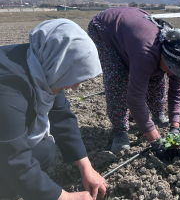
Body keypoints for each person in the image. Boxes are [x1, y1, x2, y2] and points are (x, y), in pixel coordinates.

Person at [0, 19, 107, 200]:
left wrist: (86, 167)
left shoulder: (44, 65)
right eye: (73, 76)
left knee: (45, 149)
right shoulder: (8, 85)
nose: (75, 87)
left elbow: (62, 116)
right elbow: (13, 158)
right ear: (61, 64)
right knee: (12, 171)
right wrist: (65, 197)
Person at [87, 7, 180, 154]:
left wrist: (175, 126)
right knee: (118, 79)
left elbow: (176, 92)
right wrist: (154, 139)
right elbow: (135, 100)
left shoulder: (179, 56)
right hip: (105, 29)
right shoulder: (146, 53)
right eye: (172, 69)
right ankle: (120, 130)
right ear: (164, 55)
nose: (173, 74)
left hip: (133, 31)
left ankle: (158, 113)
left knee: (157, 74)